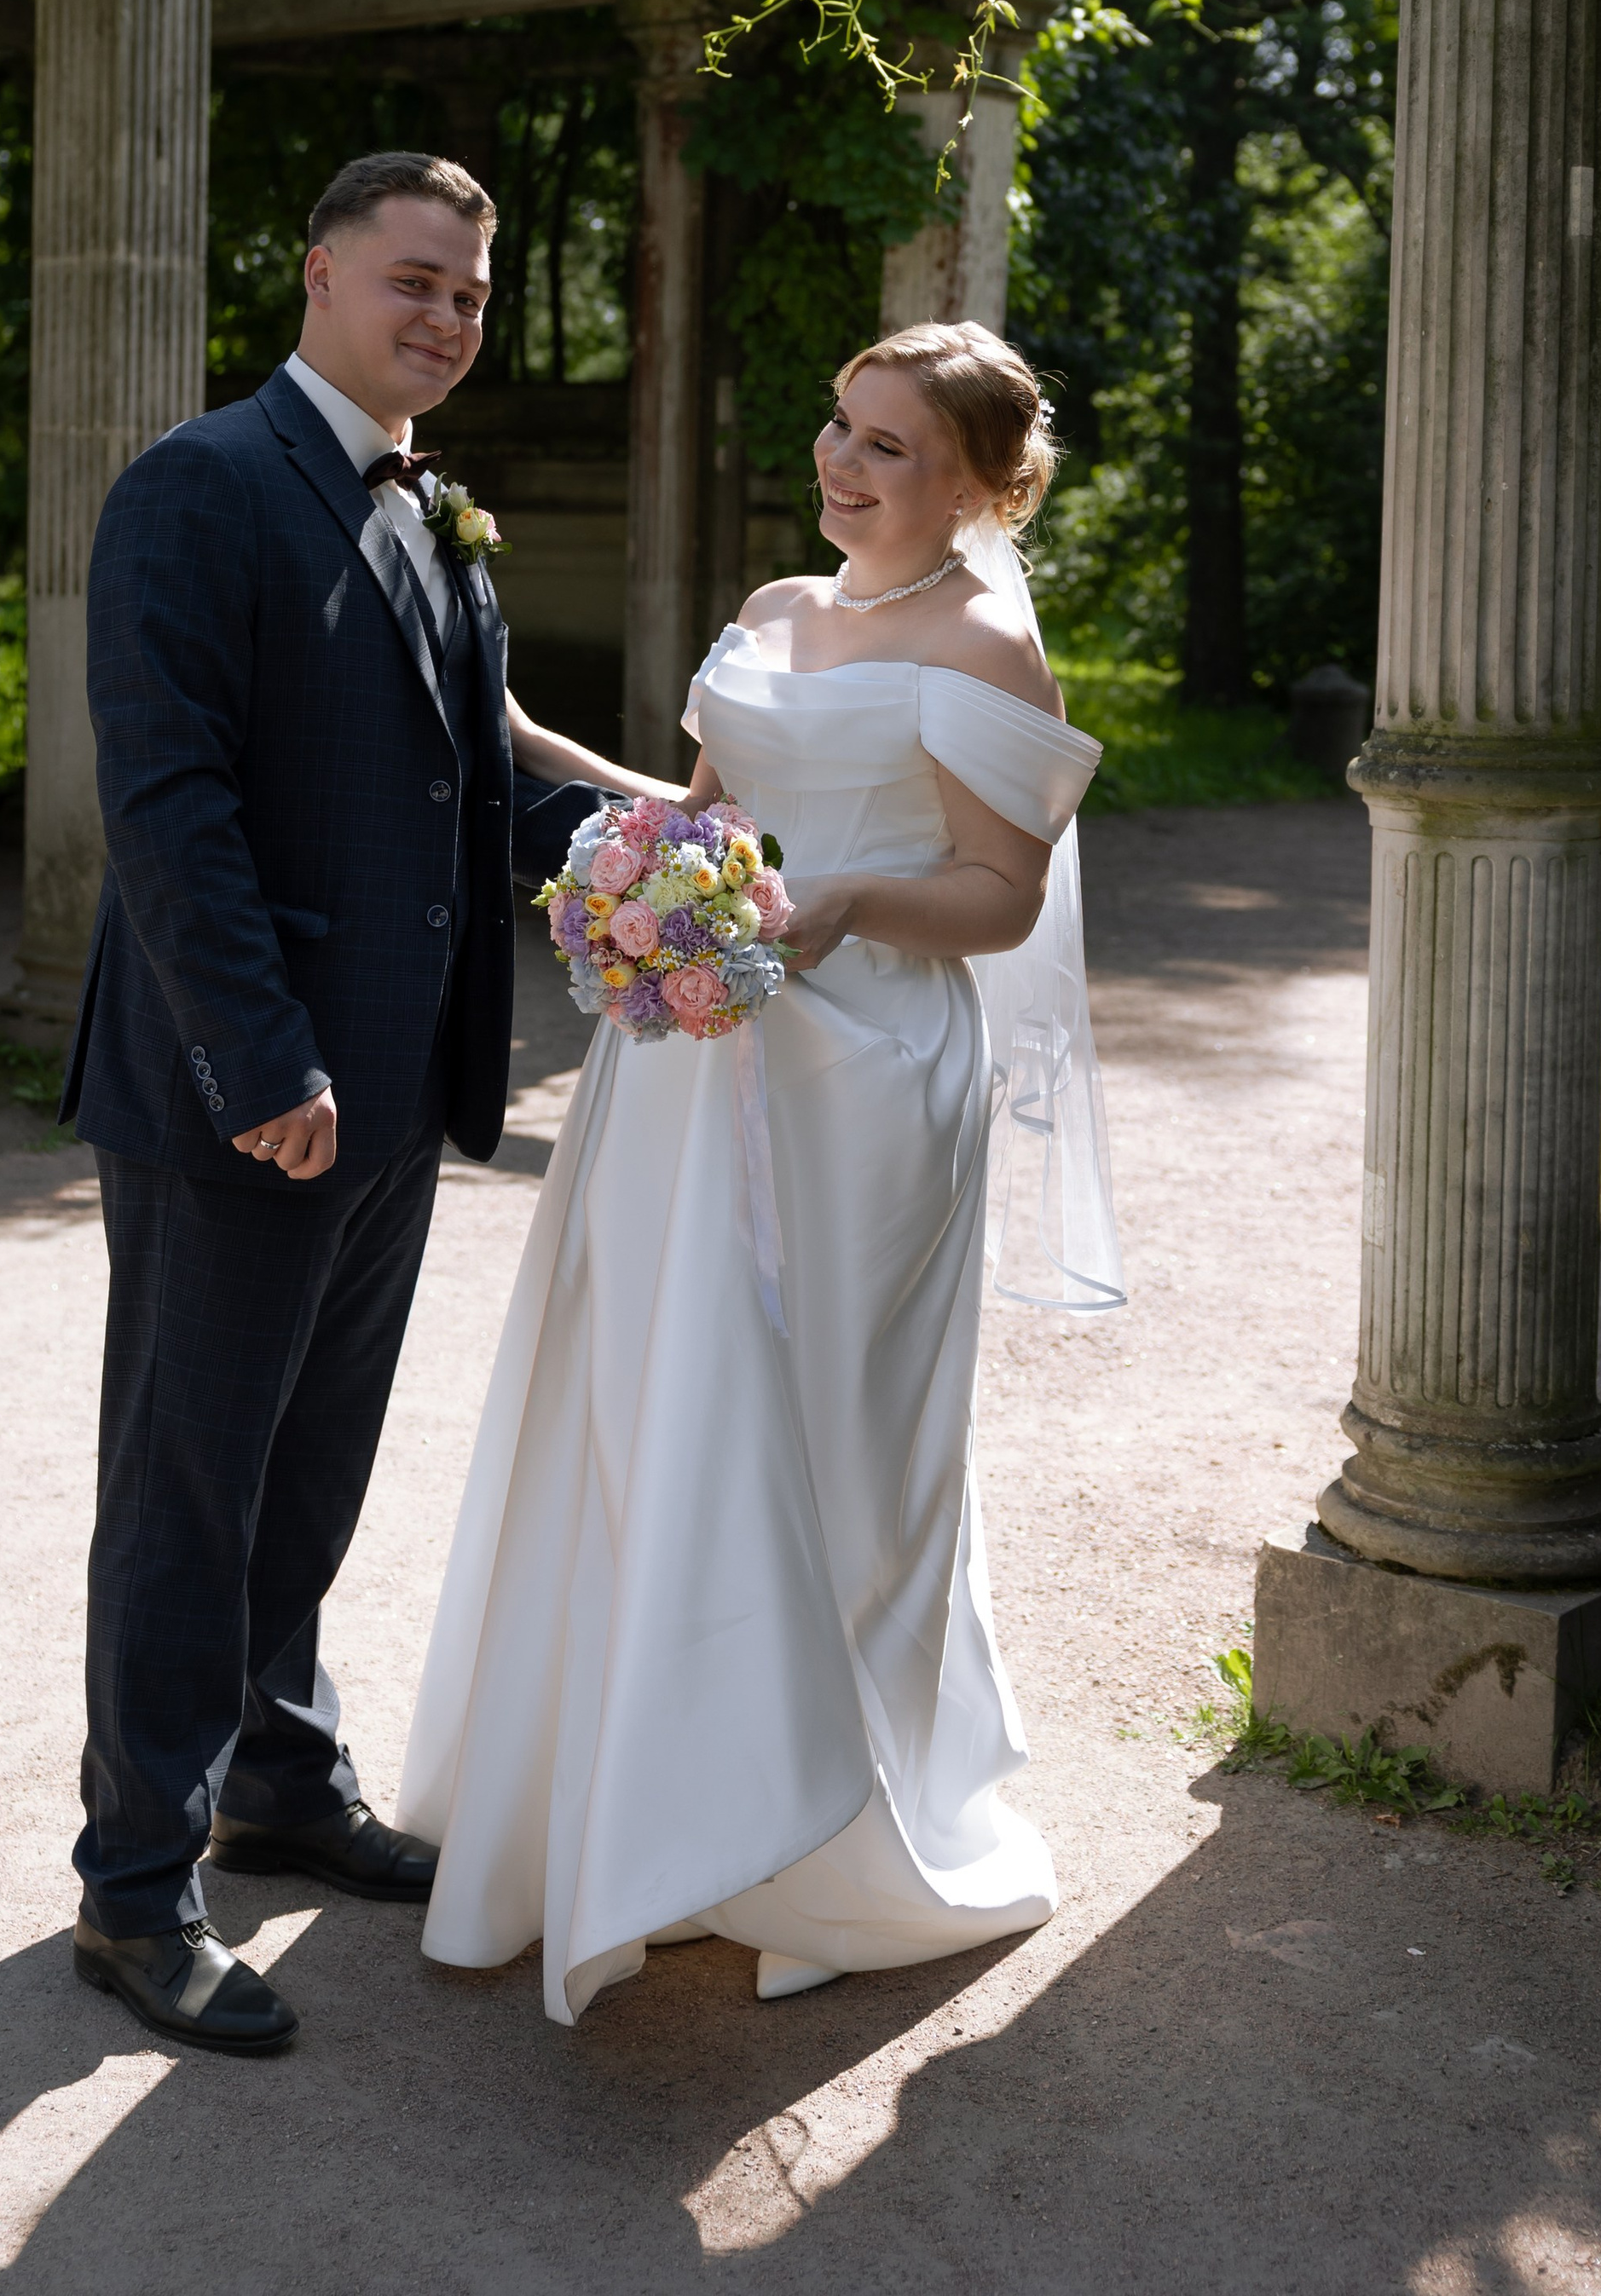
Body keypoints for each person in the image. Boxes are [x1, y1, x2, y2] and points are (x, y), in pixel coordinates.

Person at [400, 320, 1124, 2022]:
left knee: (820, 1433)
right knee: (647, 1401)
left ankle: (816, 1826)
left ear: (979, 485)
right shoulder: (775, 614)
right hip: (684, 1055)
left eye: (888, 446)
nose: (841, 463)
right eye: (836, 423)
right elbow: (716, 817)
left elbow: (1000, 896)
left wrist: (847, 906)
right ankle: (633, 1799)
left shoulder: (985, 643)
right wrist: (586, 807)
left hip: (859, 1086)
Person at [61, 150, 670, 2056]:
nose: (443, 320)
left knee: (307, 1473)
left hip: (400, 1085)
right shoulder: (198, 489)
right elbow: (168, 803)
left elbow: (465, 777)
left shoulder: (424, 511)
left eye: (471, 298)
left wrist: (658, 859)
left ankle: (277, 1782)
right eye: (413, 281)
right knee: (188, 1488)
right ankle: (133, 1888)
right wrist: (263, 1060)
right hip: (243, 1091)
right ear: (316, 271)